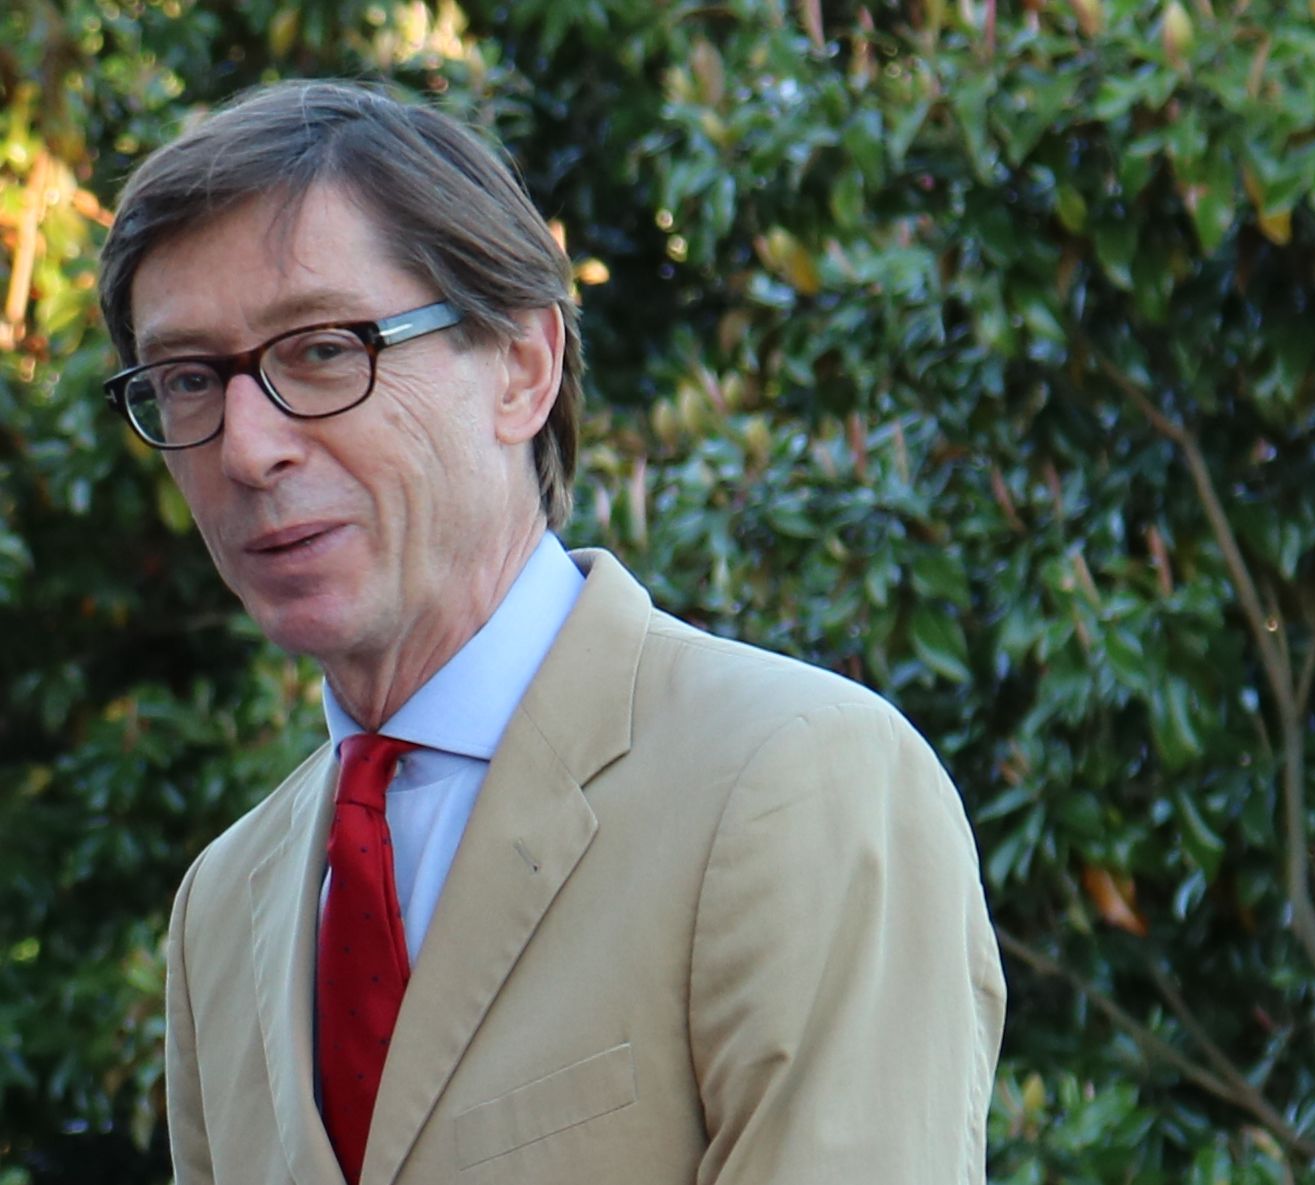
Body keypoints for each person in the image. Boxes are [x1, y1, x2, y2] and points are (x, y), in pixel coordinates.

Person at [97, 80, 1005, 1185]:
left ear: (524, 367)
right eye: (189, 380)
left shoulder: (792, 779)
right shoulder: (223, 905)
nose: (247, 448)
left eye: (323, 350)